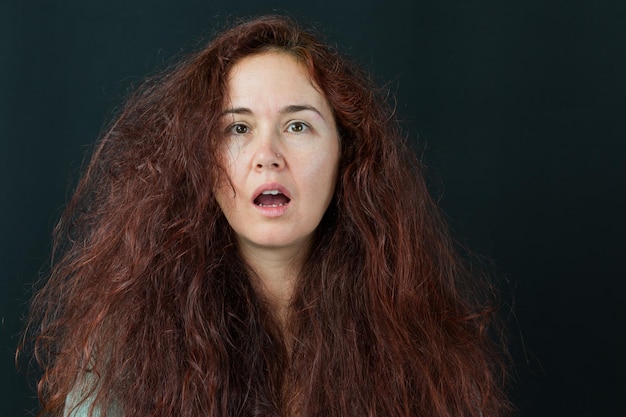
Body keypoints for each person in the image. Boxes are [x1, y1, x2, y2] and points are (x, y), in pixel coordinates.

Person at [22, 15, 511, 417]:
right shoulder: (126, 343)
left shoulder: (414, 337)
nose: (267, 154)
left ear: (348, 156)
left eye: (297, 125)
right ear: (199, 161)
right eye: (237, 128)